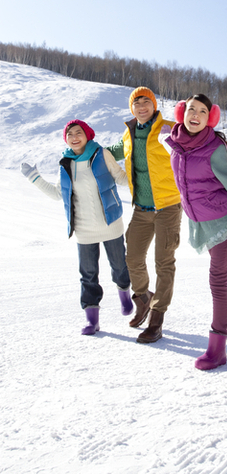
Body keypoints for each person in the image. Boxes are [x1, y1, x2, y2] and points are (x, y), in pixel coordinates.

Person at [161, 94, 227, 370]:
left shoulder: (215, 147)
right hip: (201, 223)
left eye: (202, 111)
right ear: (182, 113)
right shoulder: (177, 144)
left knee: (217, 283)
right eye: (191, 109)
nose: (195, 114)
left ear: (210, 118)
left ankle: (217, 350)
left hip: (222, 222)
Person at [21, 119, 133, 335]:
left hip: (110, 223)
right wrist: (34, 177)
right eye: (70, 134)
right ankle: (93, 320)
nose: (74, 137)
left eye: (78, 132)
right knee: (88, 275)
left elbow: (120, 177)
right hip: (83, 229)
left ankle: (125, 296)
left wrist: (142, 174)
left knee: (119, 267)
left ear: (87, 134)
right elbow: (57, 193)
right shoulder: (65, 163)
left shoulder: (101, 154)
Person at [107, 87, 182, 344]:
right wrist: (83, 147)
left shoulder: (168, 128)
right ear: (131, 108)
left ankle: (157, 319)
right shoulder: (128, 135)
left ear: (154, 105)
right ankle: (143, 298)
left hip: (169, 206)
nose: (141, 106)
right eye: (136, 102)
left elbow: (192, 142)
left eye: (146, 101)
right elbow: (108, 153)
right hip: (141, 208)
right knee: (133, 258)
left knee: (164, 262)